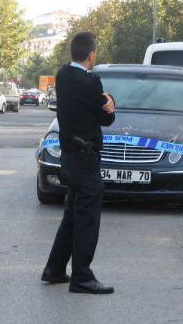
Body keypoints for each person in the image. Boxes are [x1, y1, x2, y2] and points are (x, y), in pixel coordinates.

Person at [41, 31, 116, 294]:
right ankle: (82, 276)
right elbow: (105, 119)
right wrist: (110, 104)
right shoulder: (91, 81)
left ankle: (55, 268)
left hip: (69, 158)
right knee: (87, 219)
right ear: (91, 55)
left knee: (72, 216)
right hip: (86, 159)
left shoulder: (62, 76)